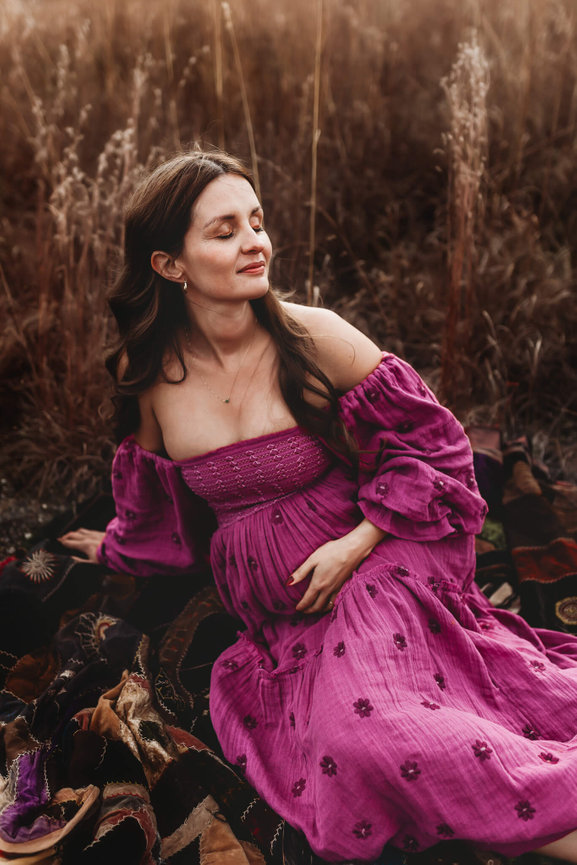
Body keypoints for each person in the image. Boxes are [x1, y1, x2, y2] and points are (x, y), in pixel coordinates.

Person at [60, 149, 577, 864]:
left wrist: (354, 543)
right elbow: (156, 506)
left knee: (368, 737)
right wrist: (114, 547)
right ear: (168, 264)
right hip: (281, 606)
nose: (255, 242)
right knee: (362, 726)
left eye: (258, 221)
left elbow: (436, 448)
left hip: (379, 545)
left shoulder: (313, 336)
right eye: (225, 230)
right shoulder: (146, 375)